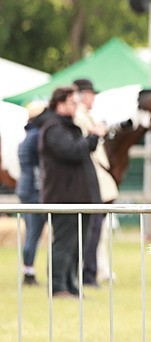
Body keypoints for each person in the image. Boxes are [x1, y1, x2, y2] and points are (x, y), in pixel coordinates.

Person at [39, 86, 106, 297]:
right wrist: (92, 137)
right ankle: (58, 287)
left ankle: (71, 285)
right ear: (60, 103)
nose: (76, 107)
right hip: (64, 197)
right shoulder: (53, 128)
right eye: (72, 102)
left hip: (77, 197)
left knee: (78, 245)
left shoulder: (65, 126)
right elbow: (73, 151)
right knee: (65, 243)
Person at [73, 78, 119, 285]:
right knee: (93, 230)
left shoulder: (86, 116)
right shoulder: (81, 117)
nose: (94, 99)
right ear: (83, 95)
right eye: (91, 94)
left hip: (98, 177)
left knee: (96, 230)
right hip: (92, 178)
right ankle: (89, 273)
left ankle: (92, 271)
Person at [17, 100, 51, 286]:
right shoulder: (37, 135)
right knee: (33, 233)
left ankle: (28, 270)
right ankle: (28, 273)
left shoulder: (28, 135)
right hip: (34, 190)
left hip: (26, 188)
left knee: (32, 232)